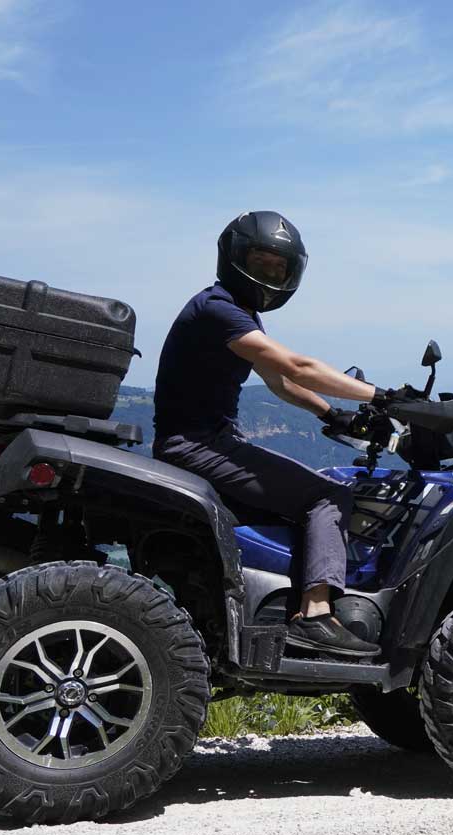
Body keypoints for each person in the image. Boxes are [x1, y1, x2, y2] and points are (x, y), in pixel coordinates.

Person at [152, 211, 395, 657]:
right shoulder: (218, 309)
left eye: (278, 268)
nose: (268, 273)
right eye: (261, 261)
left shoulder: (232, 312)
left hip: (205, 441)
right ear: (233, 256)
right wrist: (383, 397)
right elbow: (295, 366)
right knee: (329, 496)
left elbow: (279, 382)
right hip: (198, 444)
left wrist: (331, 413)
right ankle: (316, 615)